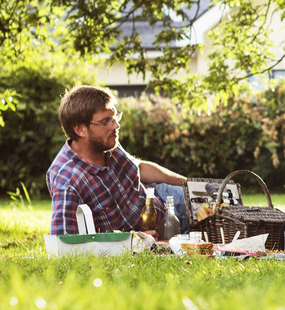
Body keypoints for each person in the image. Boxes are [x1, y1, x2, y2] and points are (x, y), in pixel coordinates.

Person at [46, 85, 189, 236]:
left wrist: (189, 186)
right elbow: (64, 245)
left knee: (213, 198)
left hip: (163, 199)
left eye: (114, 117)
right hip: (159, 233)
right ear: (79, 129)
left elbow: (138, 167)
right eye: (105, 121)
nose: (116, 125)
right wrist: (132, 240)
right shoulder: (68, 183)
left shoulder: (106, 143)